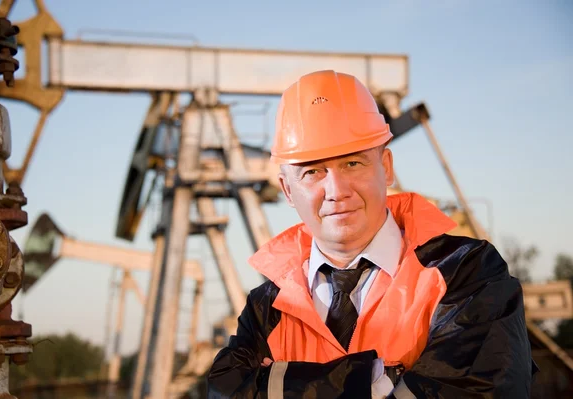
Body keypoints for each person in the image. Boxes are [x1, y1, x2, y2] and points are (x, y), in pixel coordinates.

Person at [207, 70, 536, 398]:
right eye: (312, 171)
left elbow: (479, 391)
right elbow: (224, 391)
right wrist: (380, 382)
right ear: (287, 191)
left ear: (387, 166)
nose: (336, 191)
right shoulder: (267, 307)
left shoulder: (467, 273)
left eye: (352, 164)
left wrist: (277, 385)